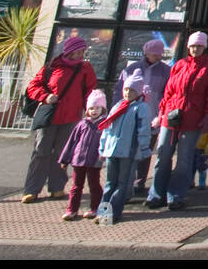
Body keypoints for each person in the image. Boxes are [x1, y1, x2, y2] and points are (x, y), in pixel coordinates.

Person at [146, 30, 208, 211]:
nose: (196, 49)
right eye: (193, 45)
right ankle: (156, 194)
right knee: (163, 155)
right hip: (171, 116)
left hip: (192, 118)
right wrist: (162, 112)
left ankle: (176, 196)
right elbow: (169, 90)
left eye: (199, 46)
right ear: (188, 46)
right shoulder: (179, 65)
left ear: (204, 47)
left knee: (184, 160)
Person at [22, 36, 98, 203]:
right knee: (41, 151)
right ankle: (32, 189)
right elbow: (33, 86)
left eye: (82, 52)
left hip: (71, 117)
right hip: (50, 116)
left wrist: (90, 111)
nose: (80, 55)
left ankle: (56, 187)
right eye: (77, 51)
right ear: (69, 52)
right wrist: (45, 96)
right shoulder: (51, 67)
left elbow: (90, 90)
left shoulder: (85, 68)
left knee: (62, 153)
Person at [115, 38, 172, 197]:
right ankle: (126, 182)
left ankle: (140, 181)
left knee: (146, 150)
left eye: (160, 54)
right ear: (146, 53)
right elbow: (119, 90)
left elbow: (167, 94)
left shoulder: (165, 71)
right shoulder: (132, 69)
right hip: (129, 116)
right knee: (129, 149)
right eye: (154, 54)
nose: (158, 57)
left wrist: (161, 115)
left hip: (152, 115)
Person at [96, 71, 152, 225]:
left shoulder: (141, 108)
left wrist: (144, 147)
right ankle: (103, 212)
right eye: (126, 89)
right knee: (109, 183)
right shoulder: (118, 106)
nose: (128, 93)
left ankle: (113, 212)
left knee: (122, 183)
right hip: (112, 150)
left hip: (128, 151)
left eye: (132, 90)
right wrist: (102, 147)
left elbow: (144, 129)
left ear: (139, 91)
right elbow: (107, 128)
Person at [58, 89, 107, 220]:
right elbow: (72, 142)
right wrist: (65, 159)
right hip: (78, 160)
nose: (94, 111)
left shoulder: (104, 125)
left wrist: (103, 156)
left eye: (97, 108)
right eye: (91, 108)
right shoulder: (82, 124)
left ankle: (95, 208)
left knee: (94, 185)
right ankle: (71, 210)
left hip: (94, 161)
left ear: (102, 109)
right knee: (76, 186)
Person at [193, 115, 208, 189]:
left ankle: (202, 182)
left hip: (202, 146)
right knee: (191, 166)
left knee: (202, 166)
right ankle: (190, 181)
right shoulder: (195, 114)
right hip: (192, 145)